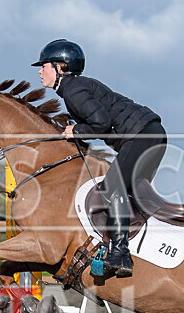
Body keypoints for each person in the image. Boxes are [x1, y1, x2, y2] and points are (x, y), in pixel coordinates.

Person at [33, 39, 167, 278]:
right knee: (128, 195)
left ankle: (120, 255)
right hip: (150, 135)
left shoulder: (73, 90)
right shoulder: (78, 87)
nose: (40, 71)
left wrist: (76, 131)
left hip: (142, 137)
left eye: (44, 66)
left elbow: (101, 124)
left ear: (59, 67)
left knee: (112, 188)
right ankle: (136, 250)